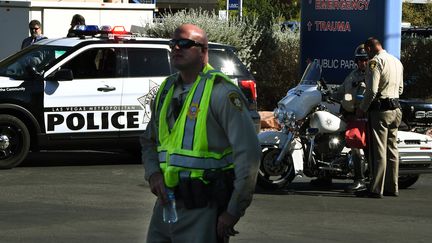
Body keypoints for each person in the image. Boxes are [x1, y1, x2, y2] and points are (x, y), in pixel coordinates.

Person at [140, 24, 261, 243]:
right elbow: (149, 140)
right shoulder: (166, 89)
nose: (176, 48)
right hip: (166, 206)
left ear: (203, 50)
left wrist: (233, 211)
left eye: (185, 44)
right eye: (173, 44)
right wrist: (153, 174)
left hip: (203, 209)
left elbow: (249, 156)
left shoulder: (221, 92)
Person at [356, 37, 404, 198]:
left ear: (369, 48)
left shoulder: (375, 63)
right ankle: (392, 187)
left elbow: (372, 91)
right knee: (392, 149)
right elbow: (401, 89)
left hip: (381, 110)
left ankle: (376, 188)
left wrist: (362, 108)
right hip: (396, 109)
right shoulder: (396, 62)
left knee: (379, 151)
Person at [333, 44, 369, 192]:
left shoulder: (370, 75)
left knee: (356, 147)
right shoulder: (353, 74)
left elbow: (367, 95)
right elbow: (343, 91)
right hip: (349, 115)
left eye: (365, 60)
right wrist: (329, 94)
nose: (362, 63)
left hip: (361, 117)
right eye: (360, 60)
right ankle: (323, 174)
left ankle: (360, 180)